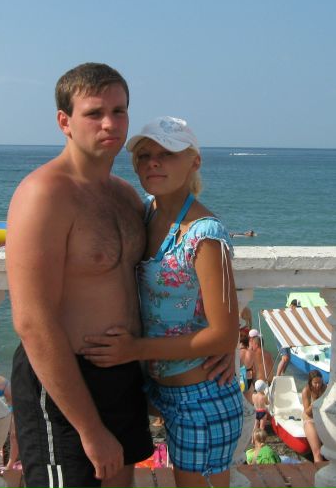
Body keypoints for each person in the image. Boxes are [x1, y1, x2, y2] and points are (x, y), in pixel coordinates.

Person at [7, 65, 232, 488]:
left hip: (123, 376)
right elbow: (32, 322)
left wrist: (221, 343)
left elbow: (169, 277)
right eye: (94, 113)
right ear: (64, 122)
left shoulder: (128, 197)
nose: (110, 123)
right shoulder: (44, 194)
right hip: (67, 383)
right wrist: (89, 429)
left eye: (119, 111)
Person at [80, 116, 243, 488]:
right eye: (144, 155)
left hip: (200, 398)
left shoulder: (205, 235)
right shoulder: (148, 214)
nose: (153, 162)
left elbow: (223, 335)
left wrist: (134, 349)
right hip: (160, 391)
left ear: (194, 161)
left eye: (167, 153)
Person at [301, 369, 327, 463]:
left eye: (320, 382)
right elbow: (307, 412)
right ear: (310, 382)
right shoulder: (306, 391)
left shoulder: (324, 388)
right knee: (318, 452)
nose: (318, 385)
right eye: (315, 383)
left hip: (322, 419)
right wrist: (315, 403)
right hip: (310, 420)